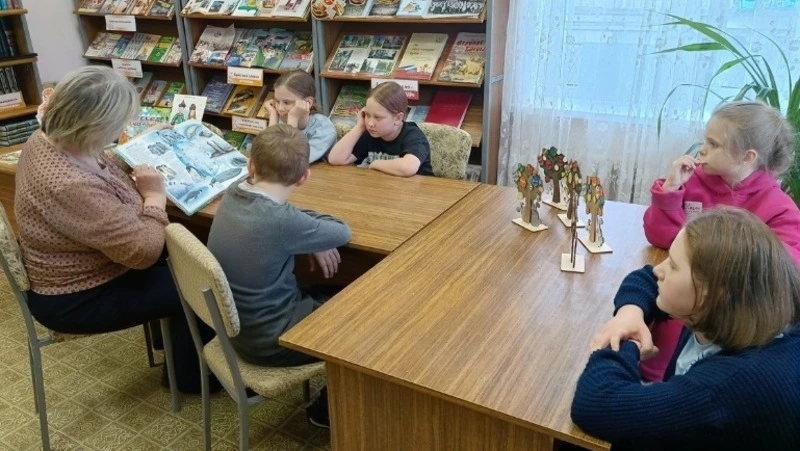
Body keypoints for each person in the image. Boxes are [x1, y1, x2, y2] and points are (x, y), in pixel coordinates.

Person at [15, 66, 216, 393]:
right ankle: (189, 378)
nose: (122, 128)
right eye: (118, 123)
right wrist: (154, 197)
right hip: (78, 296)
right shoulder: (70, 185)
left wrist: (141, 145)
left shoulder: (48, 138)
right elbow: (143, 253)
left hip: (97, 266)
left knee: (189, 263)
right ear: (93, 126)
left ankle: (174, 352)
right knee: (201, 285)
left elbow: (99, 165)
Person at [571, 208, 800, 451]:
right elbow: (647, 278)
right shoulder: (752, 305)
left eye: (673, 265)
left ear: (710, 292)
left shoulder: (724, 388)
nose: (659, 269)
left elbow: (595, 402)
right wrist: (629, 314)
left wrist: (626, 344)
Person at [631, 100, 800, 382]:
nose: (702, 150)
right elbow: (660, 237)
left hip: (722, 336)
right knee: (658, 376)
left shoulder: (780, 208)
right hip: (675, 313)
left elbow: (785, 272)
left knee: (695, 387)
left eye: (713, 144)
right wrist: (671, 190)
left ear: (748, 157)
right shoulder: (693, 181)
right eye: (704, 140)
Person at [206, 124, 351, 427]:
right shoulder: (282, 222)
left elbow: (282, 217)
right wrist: (312, 236)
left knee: (330, 291)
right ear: (304, 177)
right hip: (271, 343)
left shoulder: (234, 192)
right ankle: (328, 408)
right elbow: (341, 231)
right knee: (367, 315)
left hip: (236, 331)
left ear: (251, 166)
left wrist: (307, 236)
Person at [327, 81, 433, 177]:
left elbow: (408, 167)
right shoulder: (370, 134)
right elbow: (335, 159)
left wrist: (375, 164)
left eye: (377, 117)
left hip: (417, 190)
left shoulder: (413, 135)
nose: (370, 123)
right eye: (367, 115)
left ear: (398, 118)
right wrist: (359, 127)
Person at [263, 70, 337, 163]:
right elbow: (265, 155)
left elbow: (291, 161)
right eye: (277, 101)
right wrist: (273, 117)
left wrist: (293, 119)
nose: (280, 108)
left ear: (308, 102)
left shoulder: (324, 128)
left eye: (287, 102)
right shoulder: (281, 120)